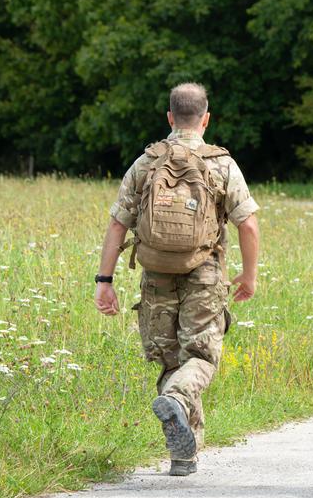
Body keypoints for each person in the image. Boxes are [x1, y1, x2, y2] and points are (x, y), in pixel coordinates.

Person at [93, 82, 260, 476]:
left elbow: (118, 225)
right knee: (200, 356)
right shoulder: (221, 164)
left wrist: (105, 280)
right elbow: (248, 225)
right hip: (204, 273)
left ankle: (185, 455)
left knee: (170, 359)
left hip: (156, 275)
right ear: (206, 118)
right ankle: (178, 399)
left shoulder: (147, 162)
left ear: (170, 117)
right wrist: (249, 275)